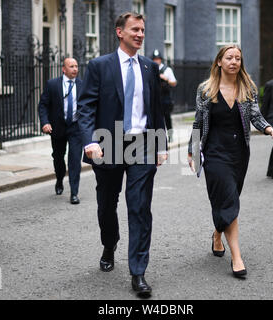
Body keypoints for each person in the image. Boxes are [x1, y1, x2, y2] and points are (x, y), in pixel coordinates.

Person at [77, 12, 167, 298]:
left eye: (142, 29)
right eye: (134, 29)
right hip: (108, 143)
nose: (140, 34)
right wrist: (90, 141)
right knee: (106, 204)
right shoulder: (99, 66)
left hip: (142, 143)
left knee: (139, 206)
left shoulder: (149, 68)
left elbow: (157, 109)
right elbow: (86, 107)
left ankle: (138, 272)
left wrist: (161, 144)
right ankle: (109, 243)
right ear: (120, 32)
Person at [188, 45, 273, 279]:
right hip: (214, 154)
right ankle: (237, 257)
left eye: (238, 58)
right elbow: (198, 122)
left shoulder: (248, 88)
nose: (234, 61)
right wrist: (192, 153)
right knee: (229, 198)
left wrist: (270, 129)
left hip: (239, 154)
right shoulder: (206, 90)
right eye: (229, 57)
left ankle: (216, 234)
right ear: (219, 62)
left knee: (229, 200)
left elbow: (255, 115)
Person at [38, 57, 83, 204]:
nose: (75, 69)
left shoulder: (83, 85)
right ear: (64, 69)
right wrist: (45, 122)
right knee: (58, 157)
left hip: (76, 127)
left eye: (76, 66)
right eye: (71, 66)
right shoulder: (52, 84)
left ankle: (74, 192)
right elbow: (43, 105)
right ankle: (59, 179)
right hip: (58, 127)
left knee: (75, 159)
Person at [152, 49, 177, 142]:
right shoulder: (151, 68)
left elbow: (174, 83)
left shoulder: (167, 70)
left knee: (167, 118)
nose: (156, 61)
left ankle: (170, 136)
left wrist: (166, 79)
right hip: (155, 97)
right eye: (155, 59)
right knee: (157, 118)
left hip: (165, 97)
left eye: (158, 59)